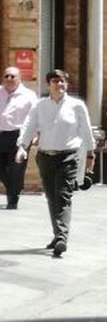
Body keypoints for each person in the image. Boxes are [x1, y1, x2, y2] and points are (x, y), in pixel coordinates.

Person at [16, 68, 96, 257]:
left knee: (63, 196)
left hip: (68, 156)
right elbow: (29, 126)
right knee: (51, 197)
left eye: (62, 81)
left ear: (66, 84)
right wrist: (22, 147)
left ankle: (62, 238)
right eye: (54, 81)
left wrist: (91, 155)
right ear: (48, 84)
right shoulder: (40, 106)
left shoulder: (77, 106)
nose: (59, 84)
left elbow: (86, 131)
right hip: (45, 157)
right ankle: (57, 234)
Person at [0, 65, 37, 210]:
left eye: (12, 76)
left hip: (19, 136)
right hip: (1, 134)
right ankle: (14, 187)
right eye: (6, 76)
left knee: (16, 168)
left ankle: (12, 200)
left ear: (19, 78)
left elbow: (35, 117)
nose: (9, 79)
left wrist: (34, 135)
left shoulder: (29, 95)